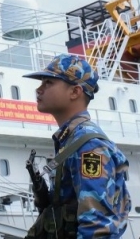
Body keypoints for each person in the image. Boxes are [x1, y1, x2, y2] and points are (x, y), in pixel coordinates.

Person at [22, 54, 131, 238]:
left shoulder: (89, 147)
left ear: (75, 92)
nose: (39, 89)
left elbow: (96, 228)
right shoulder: (71, 140)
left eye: (48, 83)